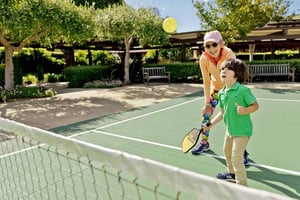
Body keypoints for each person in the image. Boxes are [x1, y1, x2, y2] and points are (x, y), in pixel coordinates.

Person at [191, 30, 249, 165]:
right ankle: (204, 143)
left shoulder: (229, 54)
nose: (211, 48)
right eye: (207, 46)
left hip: (230, 88)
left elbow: (236, 75)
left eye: (214, 44)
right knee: (206, 115)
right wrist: (206, 103)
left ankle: (242, 152)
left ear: (221, 44)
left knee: (235, 119)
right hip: (215, 89)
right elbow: (206, 81)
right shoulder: (204, 59)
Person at [203, 58, 259, 186]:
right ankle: (232, 173)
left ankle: (241, 186)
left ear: (237, 74)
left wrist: (245, 110)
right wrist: (210, 124)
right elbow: (222, 113)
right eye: (222, 69)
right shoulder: (221, 93)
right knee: (227, 153)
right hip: (230, 131)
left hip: (242, 131)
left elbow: (255, 106)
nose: (224, 71)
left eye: (228, 69)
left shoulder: (243, 90)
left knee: (237, 158)